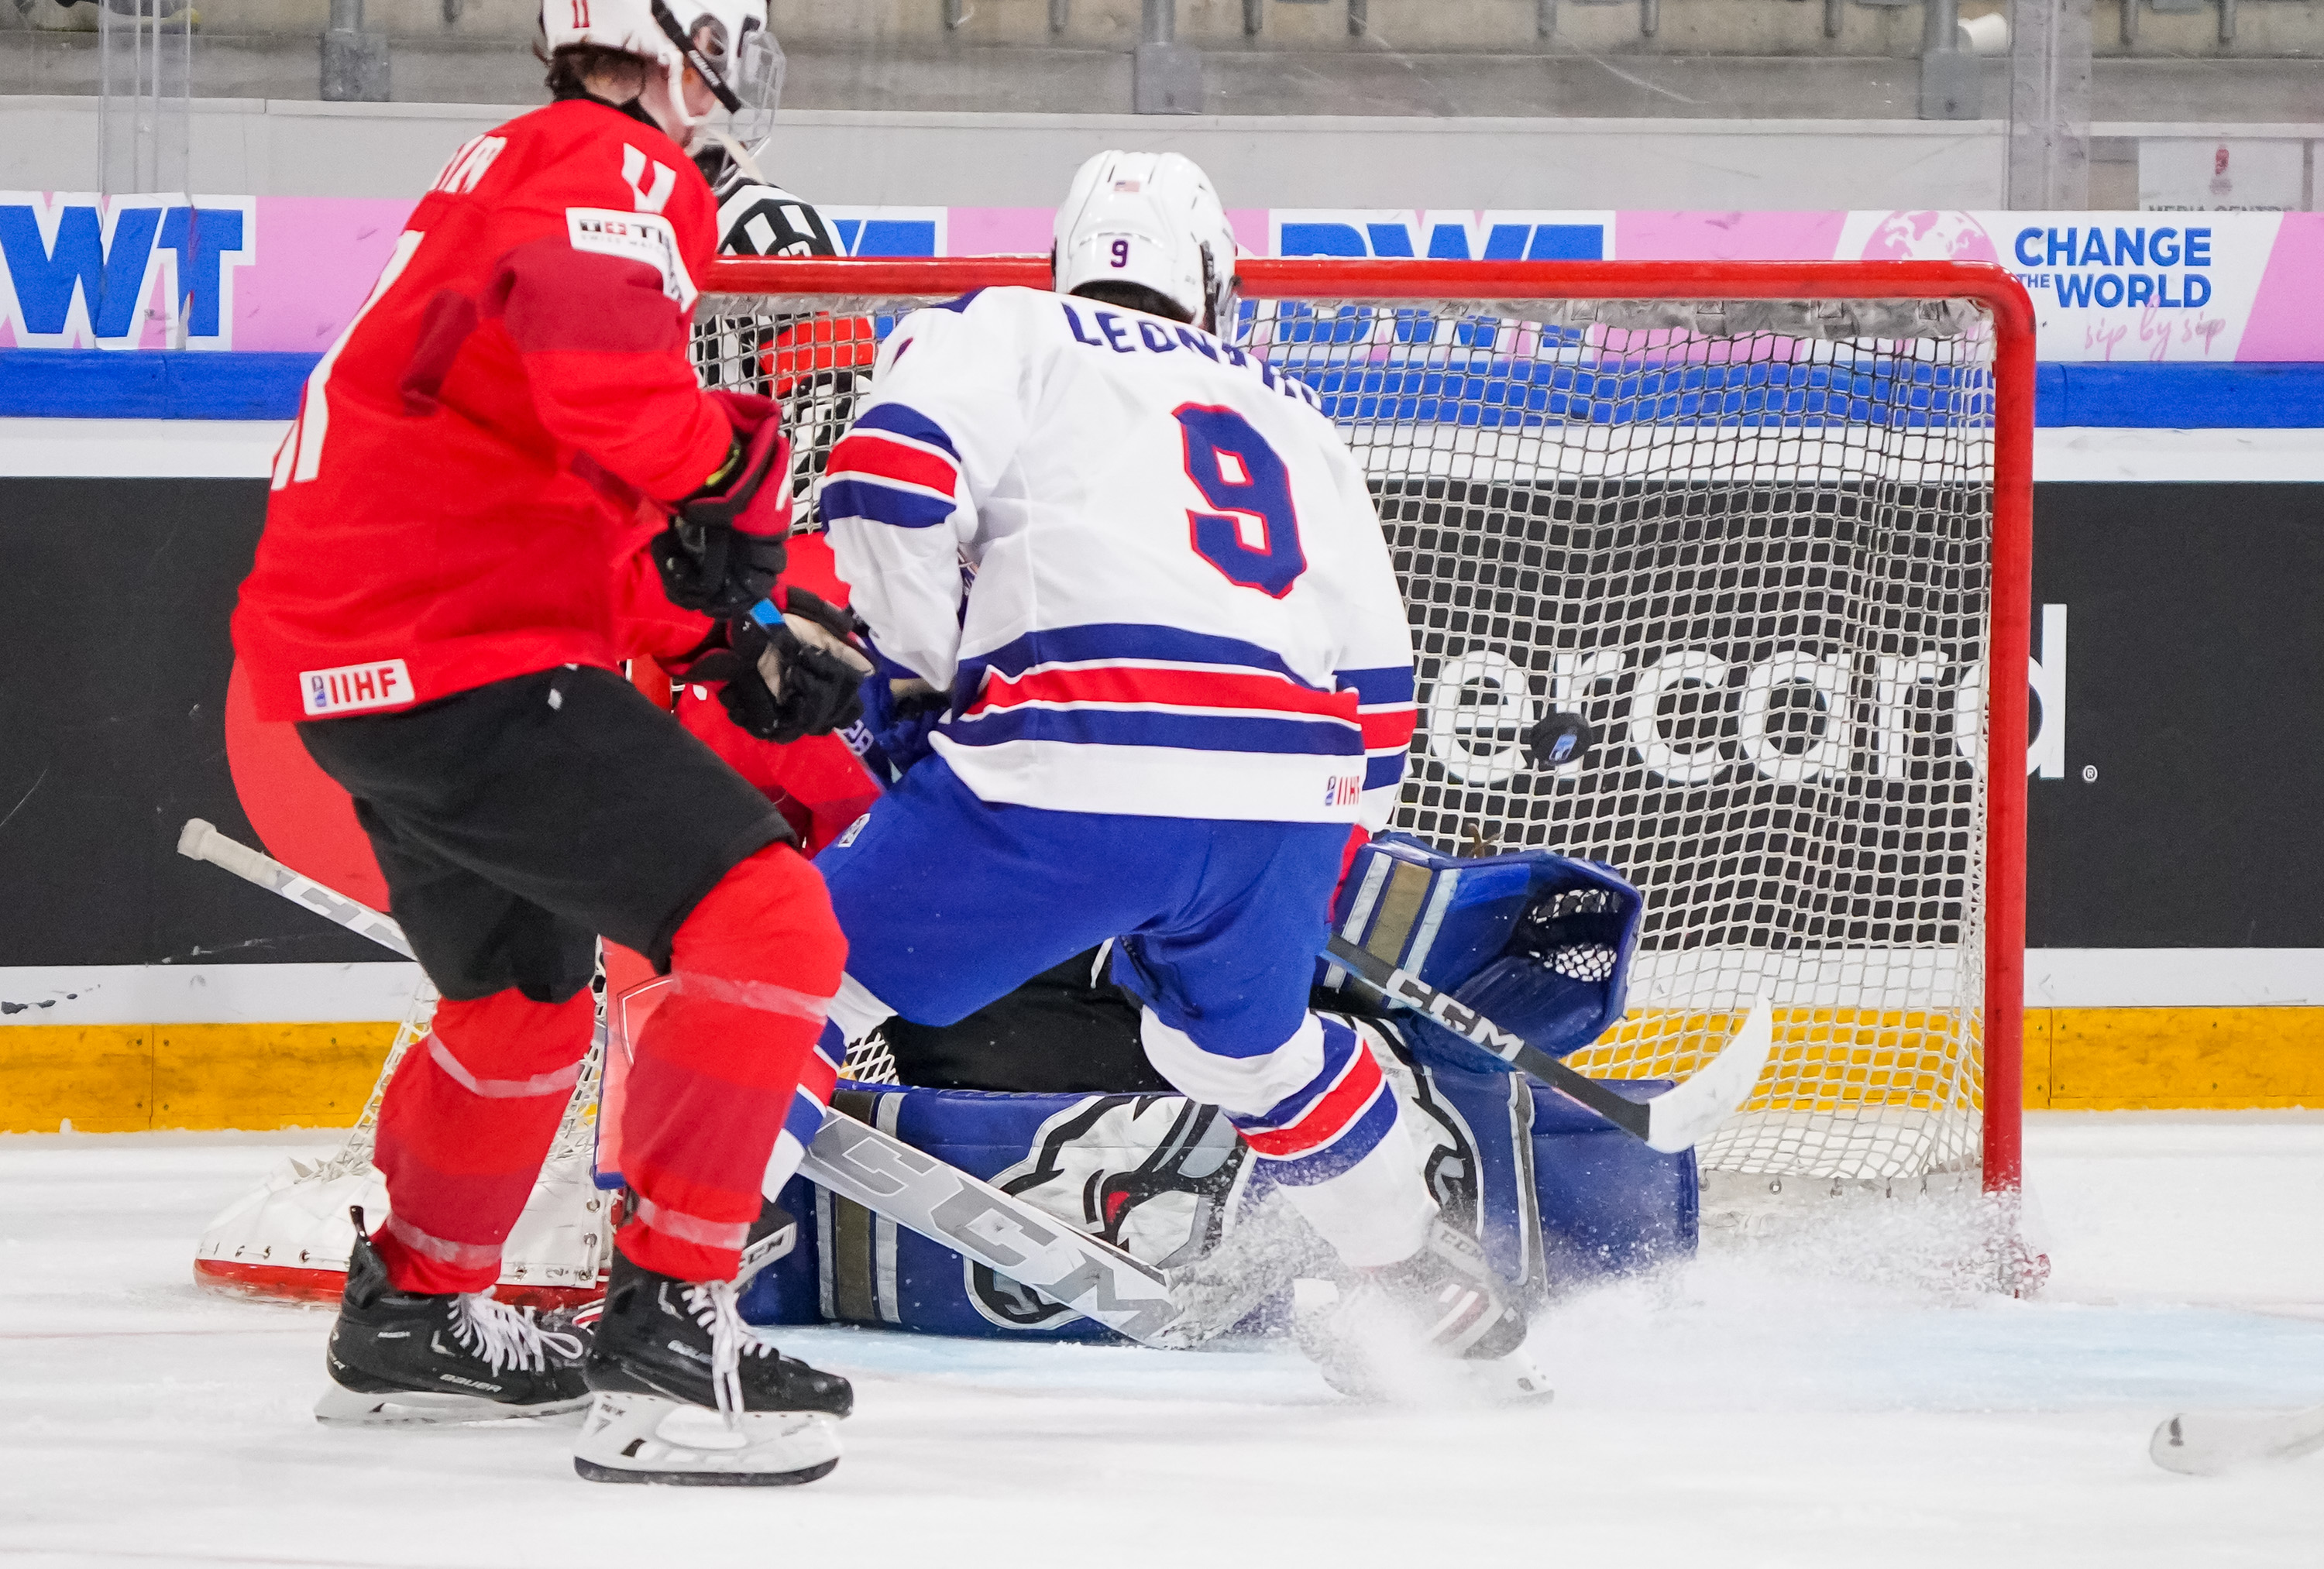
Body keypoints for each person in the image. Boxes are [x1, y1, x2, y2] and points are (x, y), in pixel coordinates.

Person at [231, 0, 869, 1485]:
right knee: (772, 923)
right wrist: (740, 472)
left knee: (522, 1001)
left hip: (360, 662)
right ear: (679, 40)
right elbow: (617, 400)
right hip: (464, 654)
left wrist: (713, 636)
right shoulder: (616, 161)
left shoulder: (506, 169)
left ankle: (413, 1318)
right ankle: (670, 1342)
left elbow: (545, 472)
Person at [803, 149, 1543, 1393]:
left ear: (1065, 257)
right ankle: (1423, 1283)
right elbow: (1376, 674)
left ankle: (672, 1297)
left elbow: (885, 478)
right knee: (1249, 1053)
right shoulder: (1295, 407)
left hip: (1072, 766)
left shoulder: (1009, 326)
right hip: (1280, 798)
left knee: (786, 981)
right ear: (1212, 280)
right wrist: (1326, 849)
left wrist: (919, 676)